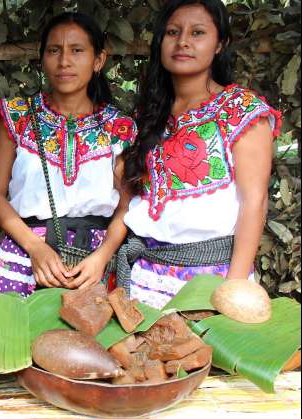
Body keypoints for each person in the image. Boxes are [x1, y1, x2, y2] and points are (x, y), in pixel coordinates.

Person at [119, 0, 281, 309]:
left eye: (197, 33)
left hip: (212, 280)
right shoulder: (149, 114)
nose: (183, 42)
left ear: (220, 44)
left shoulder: (240, 110)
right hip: (145, 277)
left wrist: (232, 290)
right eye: (172, 32)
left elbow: (254, 202)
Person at [0, 13, 136, 298]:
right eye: (54, 50)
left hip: (93, 267)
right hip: (25, 256)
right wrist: (35, 247)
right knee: (14, 340)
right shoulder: (18, 116)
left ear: (98, 61)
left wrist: (102, 258)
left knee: (94, 343)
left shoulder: (118, 127)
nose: (64, 61)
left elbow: (126, 207)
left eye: (77, 50)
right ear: (42, 59)